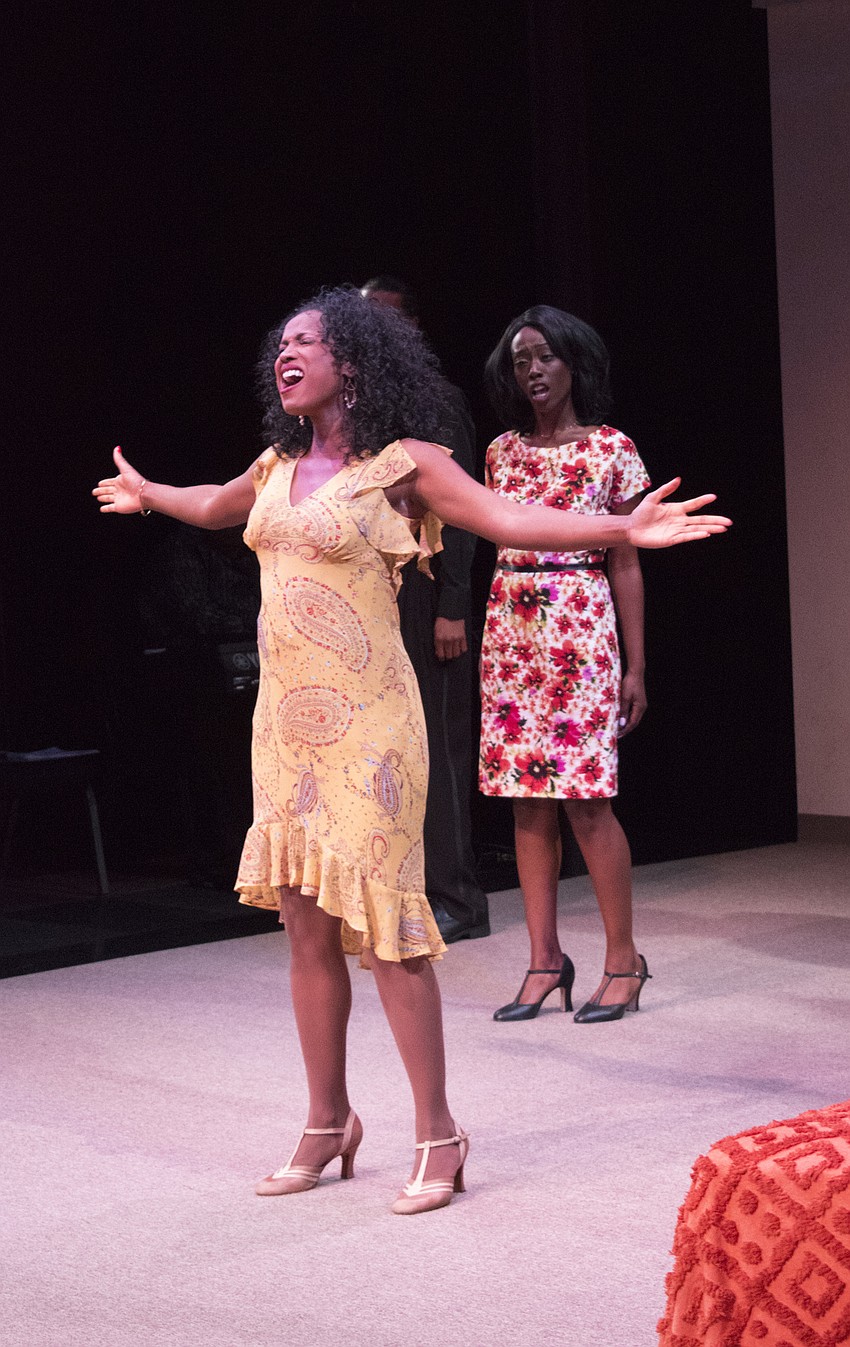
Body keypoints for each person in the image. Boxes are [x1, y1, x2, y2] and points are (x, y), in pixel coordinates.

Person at [93, 285, 729, 1213]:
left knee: (388, 932)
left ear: (353, 362)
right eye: (283, 342)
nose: (288, 352)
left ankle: (439, 1129)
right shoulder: (275, 465)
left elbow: (507, 520)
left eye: (309, 340)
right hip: (285, 730)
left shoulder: (404, 463)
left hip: (372, 724)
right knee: (305, 926)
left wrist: (619, 527)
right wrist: (150, 493)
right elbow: (214, 508)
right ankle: (327, 1120)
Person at [479, 304, 658, 1025]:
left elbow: (627, 562)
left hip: (581, 626)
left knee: (587, 803)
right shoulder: (499, 452)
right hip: (510, 629)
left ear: (573, 362)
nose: (533, 370)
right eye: (521, 359)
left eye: (546, 356)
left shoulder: (611, 448)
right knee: (527, 802)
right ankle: (545, 960)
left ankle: (623, 960)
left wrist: (635, 667)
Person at [359, 275, 490, 944]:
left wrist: (454, 603)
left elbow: (462, 508)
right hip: (374, 595)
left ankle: (460, 900)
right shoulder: (366, 406)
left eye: (380, 318)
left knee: (436, 741)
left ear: (410, 328)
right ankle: (400, 888)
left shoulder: (436, 400)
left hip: (428, 590)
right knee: (391, 748)